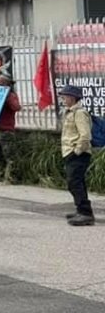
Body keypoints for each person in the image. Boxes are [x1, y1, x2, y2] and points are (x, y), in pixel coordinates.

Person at [59, 85, 95, 226]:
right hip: (69, 152)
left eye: (65, 96)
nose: (63, 99)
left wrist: (77, 151)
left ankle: (85, 213)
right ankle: (81, 210)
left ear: (73, 98)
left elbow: (85, 135)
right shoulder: (68, 112)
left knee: (74, 183)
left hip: (79, 154)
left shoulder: (79, 113)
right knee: (76, 182)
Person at [0, 73, 22, 184]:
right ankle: (1, 174)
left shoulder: (11, 95)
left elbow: (16, 107)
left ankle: (14, 176)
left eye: (0, 83)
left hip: (6, 129)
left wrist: (6, 96)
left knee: (10, 154)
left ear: (6, 85)